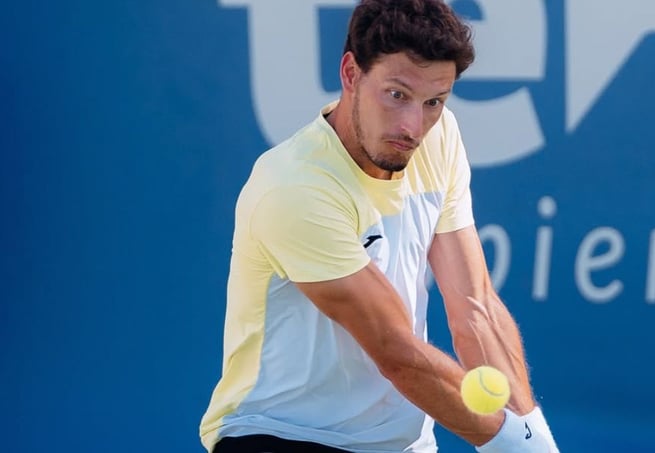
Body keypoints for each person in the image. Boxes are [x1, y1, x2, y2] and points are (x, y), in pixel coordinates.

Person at [200, 0, 559, 452]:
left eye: (434, 102)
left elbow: (475, 308)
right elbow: (395, 349)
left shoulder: (439, 138)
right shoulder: (293, 186)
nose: (413, 127)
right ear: (351, 73)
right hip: (282, 435)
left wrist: (532, 435)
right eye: (397, 95)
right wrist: (514, 445)